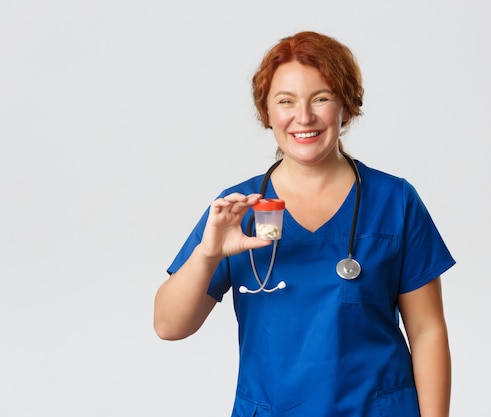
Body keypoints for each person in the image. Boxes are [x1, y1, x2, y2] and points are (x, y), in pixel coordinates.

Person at [154, 31, 456, 417]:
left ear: (346, 104)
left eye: (322, 98)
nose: (304, 117)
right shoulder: (236, 210)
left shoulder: (394, 201)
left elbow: (427, 331)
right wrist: (208, 253)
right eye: (286, 101)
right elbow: (169, 325)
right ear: (267, 112)